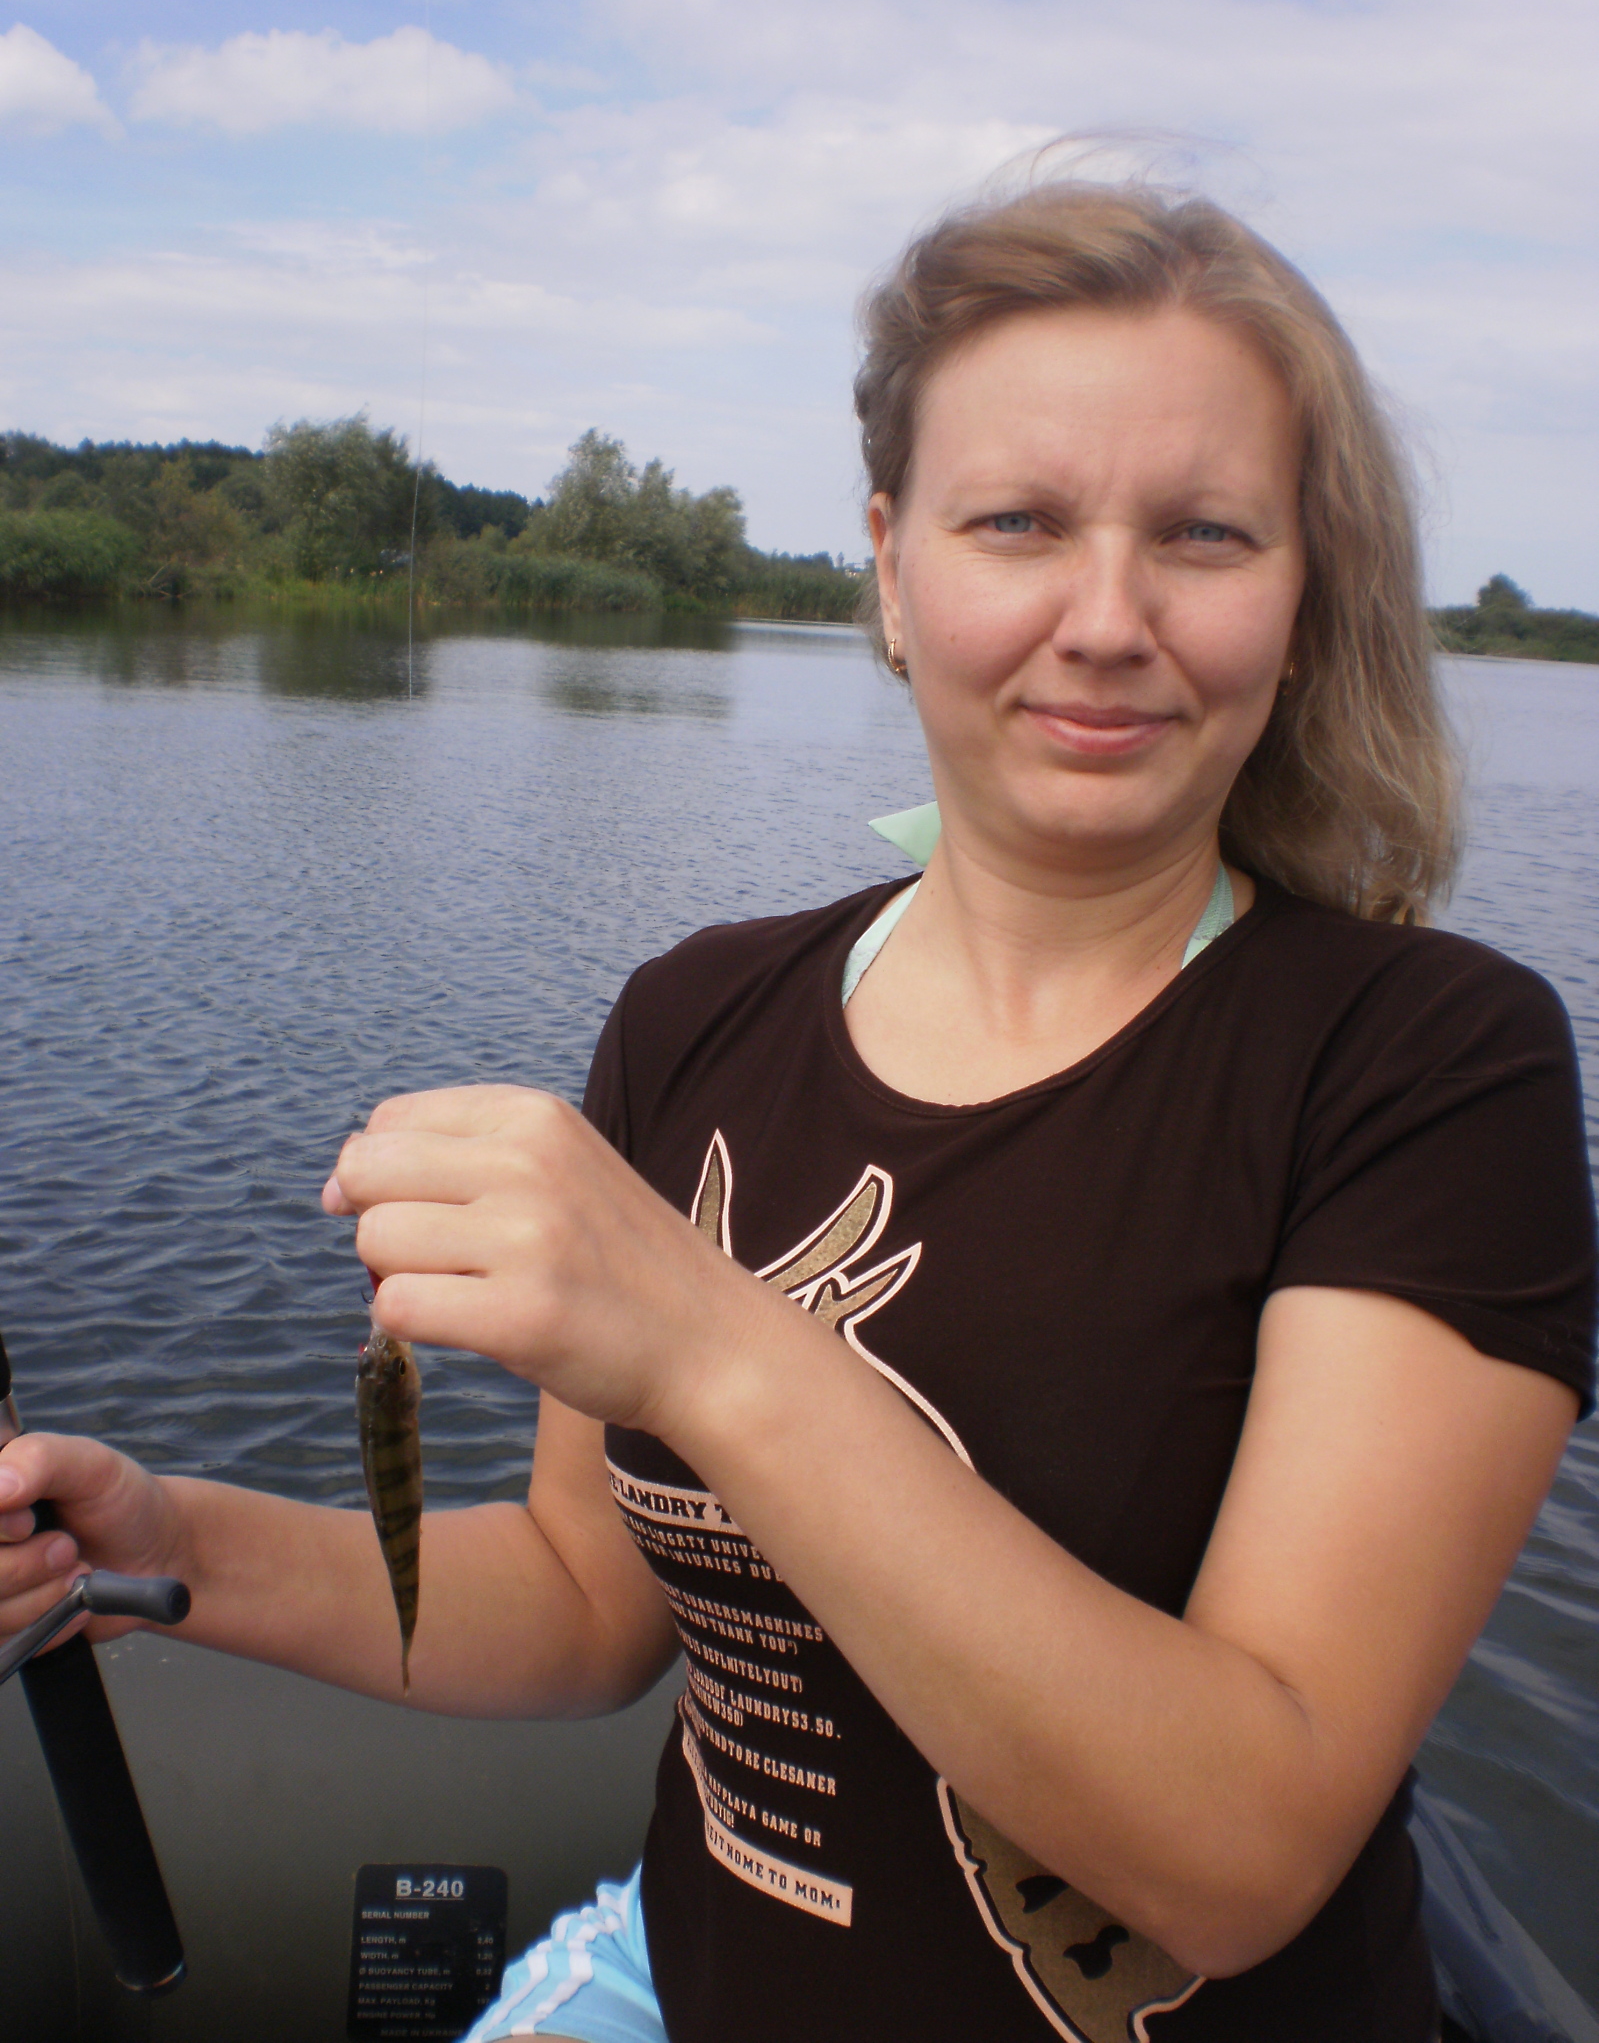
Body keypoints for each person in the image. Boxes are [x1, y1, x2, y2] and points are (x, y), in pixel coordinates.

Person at [0, 176, 1593, 2043]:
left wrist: (706, 1341)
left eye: (1205, 533)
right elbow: (587, 1600)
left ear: (1305, 596)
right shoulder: (698, 1016)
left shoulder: (1430, 1066)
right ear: (893, 569)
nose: (1107, 617)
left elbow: (1242, 1851)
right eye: (1017, 521)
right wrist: (157, 1540)